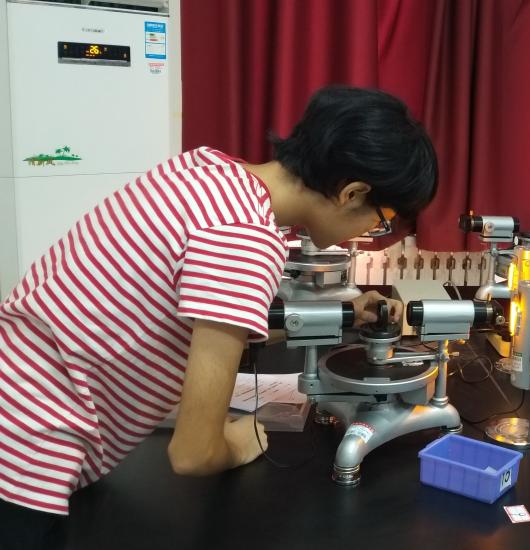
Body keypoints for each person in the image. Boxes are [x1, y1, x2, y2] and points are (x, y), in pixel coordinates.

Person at [0, 85, 438, 549]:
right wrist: (240, 443)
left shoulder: (206, 169)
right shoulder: (245, 238)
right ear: (352, 192)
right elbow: (193, 454)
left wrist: (347, 313)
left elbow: (197, 321)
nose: (375, 230)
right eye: (383, 218)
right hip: (25, 458)